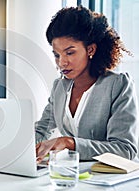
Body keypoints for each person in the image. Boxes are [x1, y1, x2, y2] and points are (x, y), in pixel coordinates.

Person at [35, 6, 138, 163]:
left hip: (109, 181)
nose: (62, 62)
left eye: (70, 53)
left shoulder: (117, 85)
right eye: (57, 55)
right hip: (73, 177)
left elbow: (125, 150)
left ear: (90, 49)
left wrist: (70, 143)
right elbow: (42, 130)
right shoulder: (60, 87)